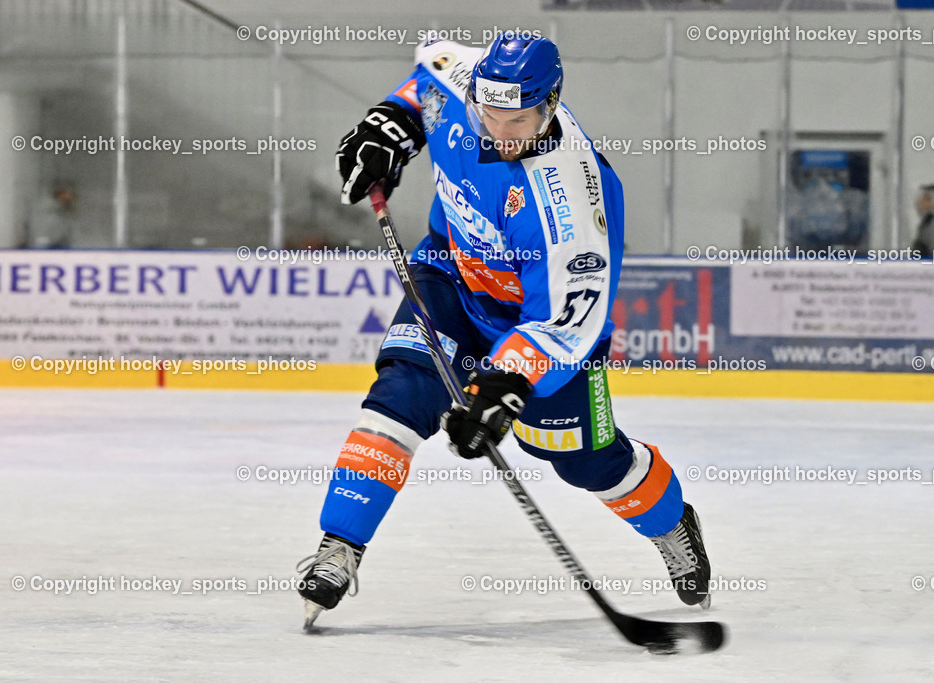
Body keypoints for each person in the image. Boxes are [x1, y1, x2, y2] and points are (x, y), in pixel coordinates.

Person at [296, 33, 712, 626]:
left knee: (582, 461)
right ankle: (340, 544)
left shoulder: (572, 196)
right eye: (490, 113)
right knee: (401, 394)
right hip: (452, 277)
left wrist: (501, 387)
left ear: (550, 103)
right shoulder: (465, 82)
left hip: (543, 330)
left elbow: (566, 320)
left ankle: (671, 523)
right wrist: (388, 128)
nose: (499, 129)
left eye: (517, 119)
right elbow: (423, 86)